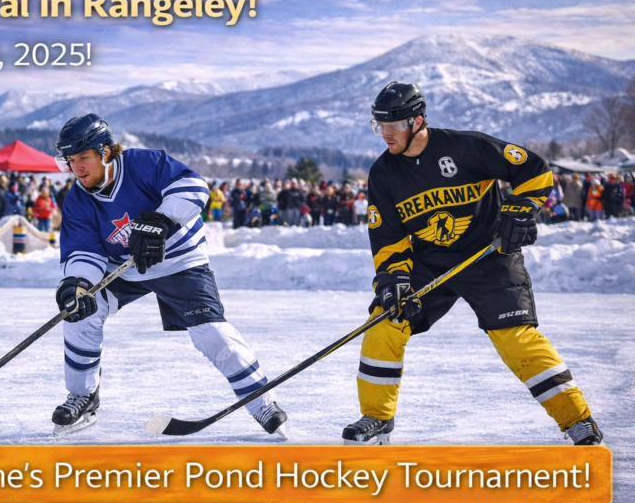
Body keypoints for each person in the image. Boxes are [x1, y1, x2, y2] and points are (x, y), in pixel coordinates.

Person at [343, 81, 601, 446]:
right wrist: (393, 279)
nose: (385, 134)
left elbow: (535, 168)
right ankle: (377, 418)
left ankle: (578, 420)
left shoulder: (467, 146)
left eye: (393, 126)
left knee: (516, 338)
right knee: (384, 322)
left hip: (490, 256)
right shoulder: (384, 173)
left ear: (418, 122)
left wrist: (523, 207)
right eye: (379, 126)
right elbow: (387, 237)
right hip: (430, 263)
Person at [51, 114, 287, 437]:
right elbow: (84, 252)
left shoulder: (143, 163)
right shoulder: (78, 200)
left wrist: (161, 220)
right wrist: (79, 284)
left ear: (105, 152)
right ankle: (83, 395)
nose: (77, 168)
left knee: (211, 333)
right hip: (126, 268)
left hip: (179, 260)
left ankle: (262, 402)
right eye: (71, 161)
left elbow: (194, 187)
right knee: (79, 312)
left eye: (83, 158)